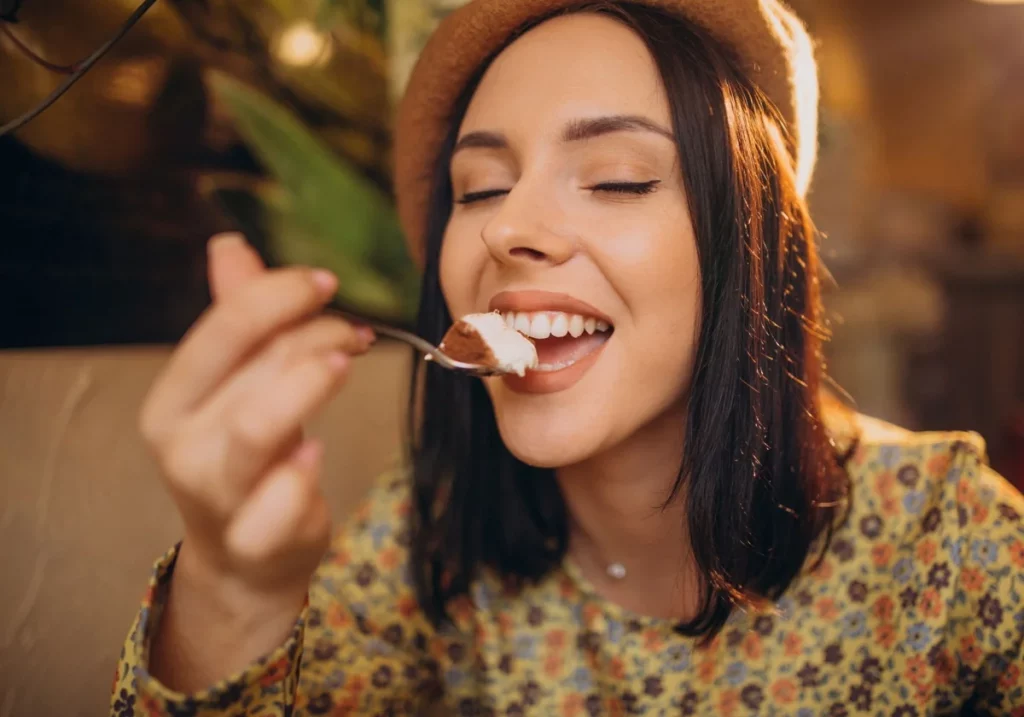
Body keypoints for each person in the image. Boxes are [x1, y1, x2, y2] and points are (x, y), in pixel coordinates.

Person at [110, 1, 1024, 715]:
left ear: (750, 246)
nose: (507, 227)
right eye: (481, 187)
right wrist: (230, 587)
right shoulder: (419, 547)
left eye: (618, 179)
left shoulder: (950, 538)